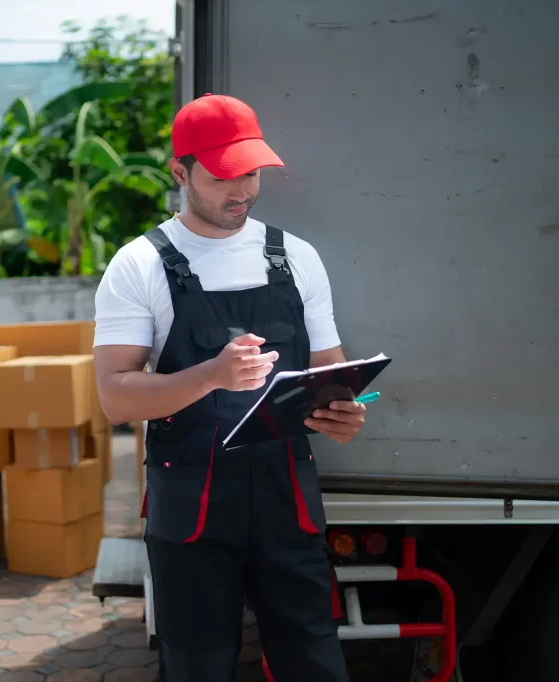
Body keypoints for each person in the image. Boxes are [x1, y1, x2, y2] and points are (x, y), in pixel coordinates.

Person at [92, 93, 366, 682]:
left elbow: (331, 368)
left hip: (286, 496)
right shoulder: (139, 265)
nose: (241, 188)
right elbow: (115, 395)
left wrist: (344, 411)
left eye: (251, 171)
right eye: (222, 175)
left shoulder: (294, 257)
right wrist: (212, 375)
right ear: (180, 172)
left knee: (315, 659)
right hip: (190, 503)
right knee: (197, 667)